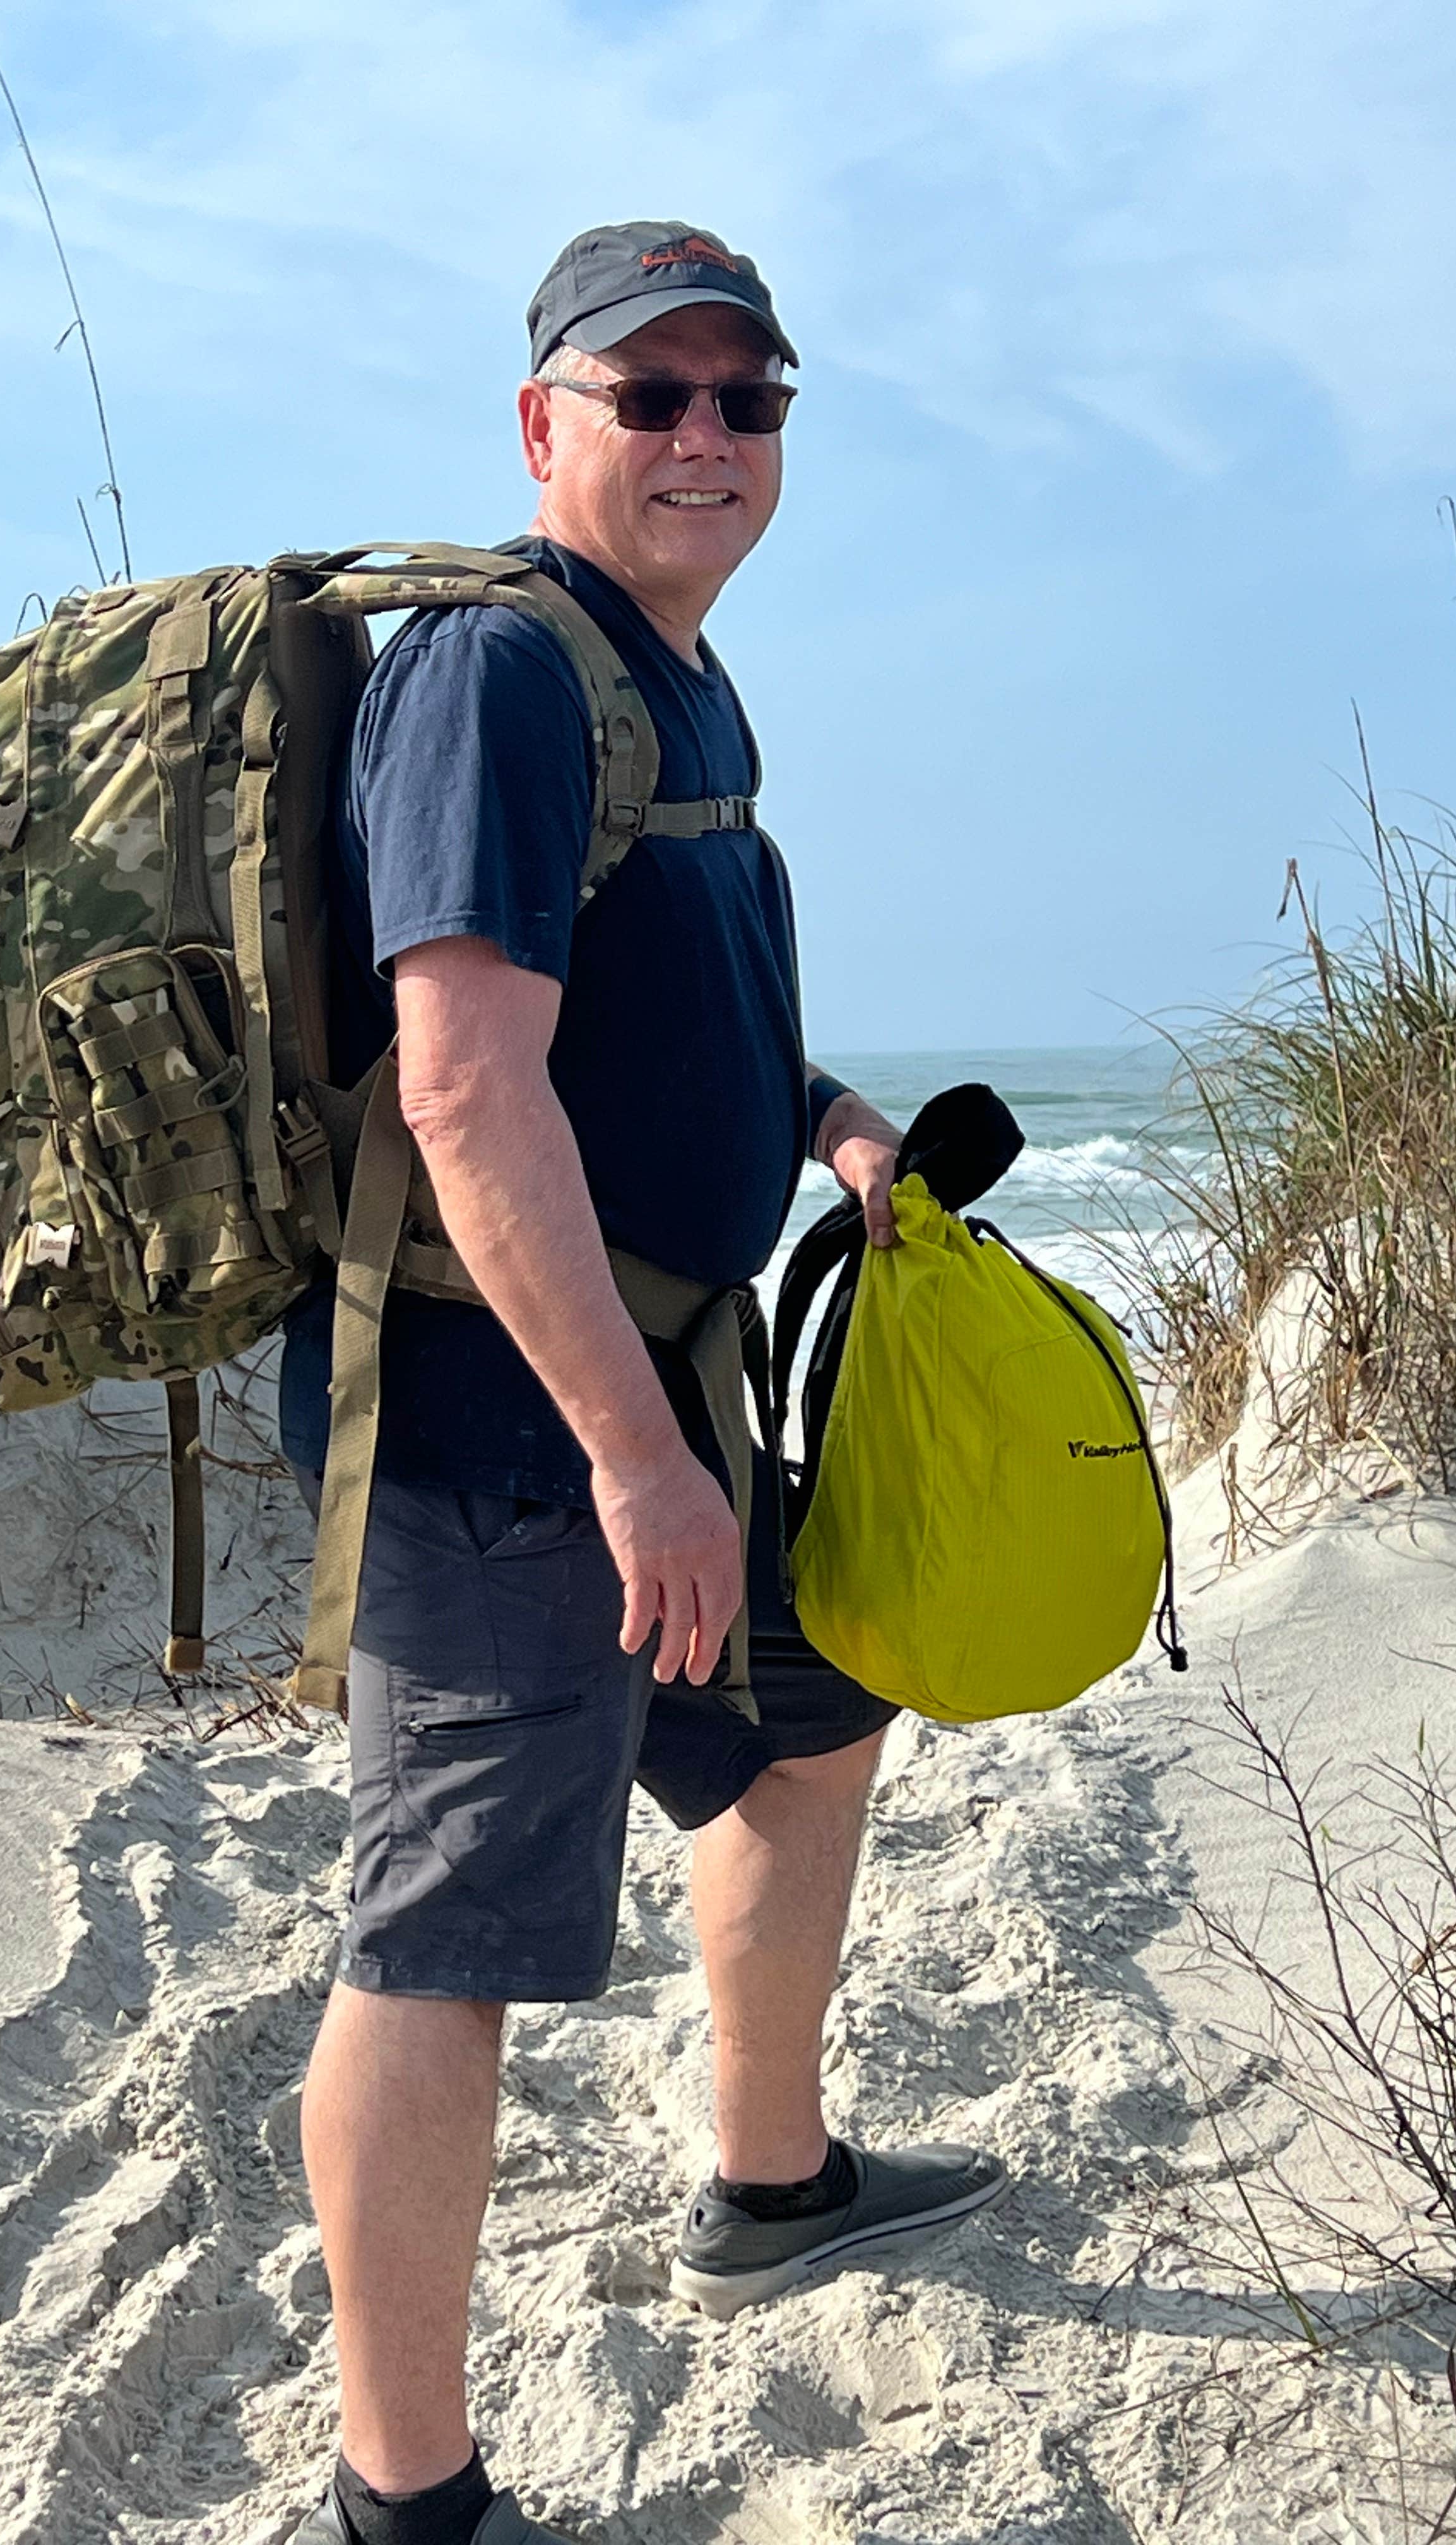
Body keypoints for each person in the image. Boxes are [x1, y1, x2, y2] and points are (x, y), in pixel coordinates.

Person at [282, 223, 1007, 2545]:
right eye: (652, 395)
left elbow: (666, 989)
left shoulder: (672, 677)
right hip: (502, 1429)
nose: (706, 436)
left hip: (662, 1393)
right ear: (544, 427)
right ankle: (405, 2497)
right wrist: (630, 1464)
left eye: (747, 399)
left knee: (811, 1718)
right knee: (447, 1937)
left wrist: (827, 1122)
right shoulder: (496, 673)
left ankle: (770, 2183)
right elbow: (473, 1095)